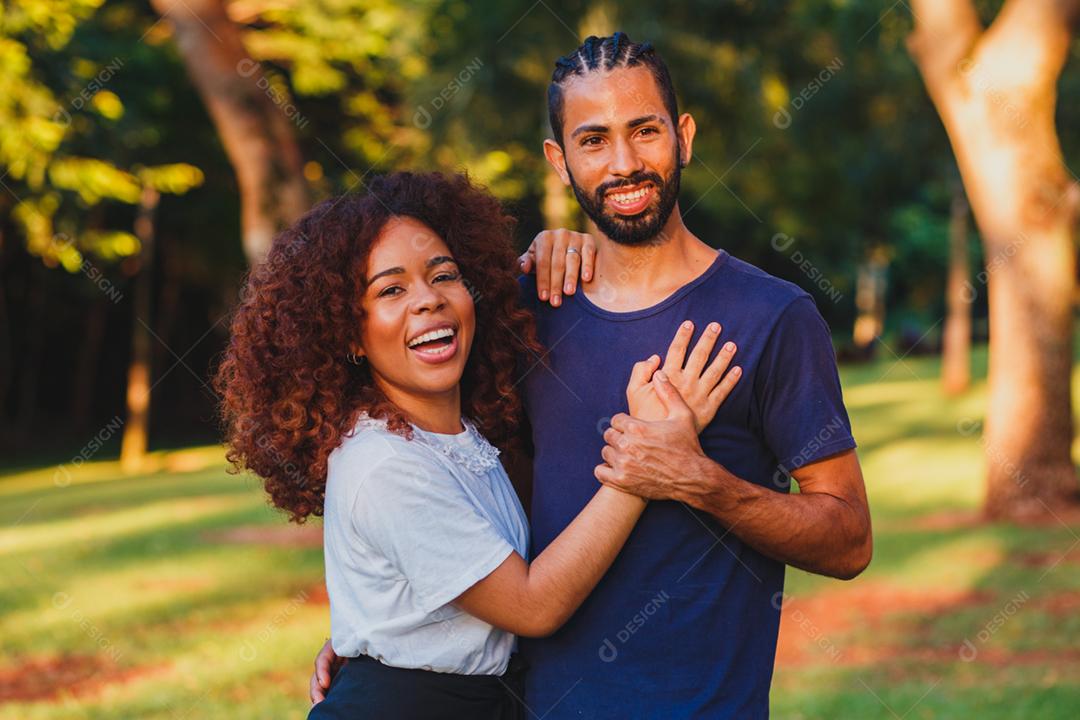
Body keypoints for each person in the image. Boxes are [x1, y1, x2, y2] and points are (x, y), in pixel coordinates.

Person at [312, 33, 872, 719]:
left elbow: (849, 540)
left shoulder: (774, 317)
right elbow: (466, 499)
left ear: (684, 136)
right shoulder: (522, 311)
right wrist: (383, 646)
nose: (625, 164)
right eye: (594, 140)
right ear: (560, 160)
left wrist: (704, 483)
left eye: (645, 131)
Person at [214, 170, 741, 719]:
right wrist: (643, 460)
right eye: (391, 289)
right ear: (348, 332)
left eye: (443, 275)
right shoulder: (383, 463)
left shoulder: (463, 437)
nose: (428, 301)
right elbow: (533, 606)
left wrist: (565, 248)